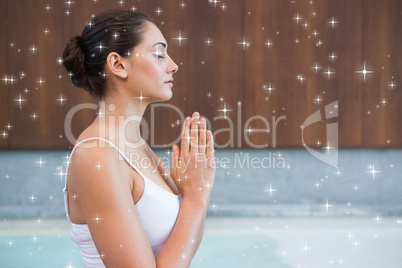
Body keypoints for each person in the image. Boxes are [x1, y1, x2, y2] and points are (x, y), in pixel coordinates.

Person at [62, 9, 215, 268]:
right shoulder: (97, 155)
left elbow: (182, 248)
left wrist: (195, 190)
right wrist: (196, 198)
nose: (173, 65)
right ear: (118, 65)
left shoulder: (136, 145)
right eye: (159, 54)